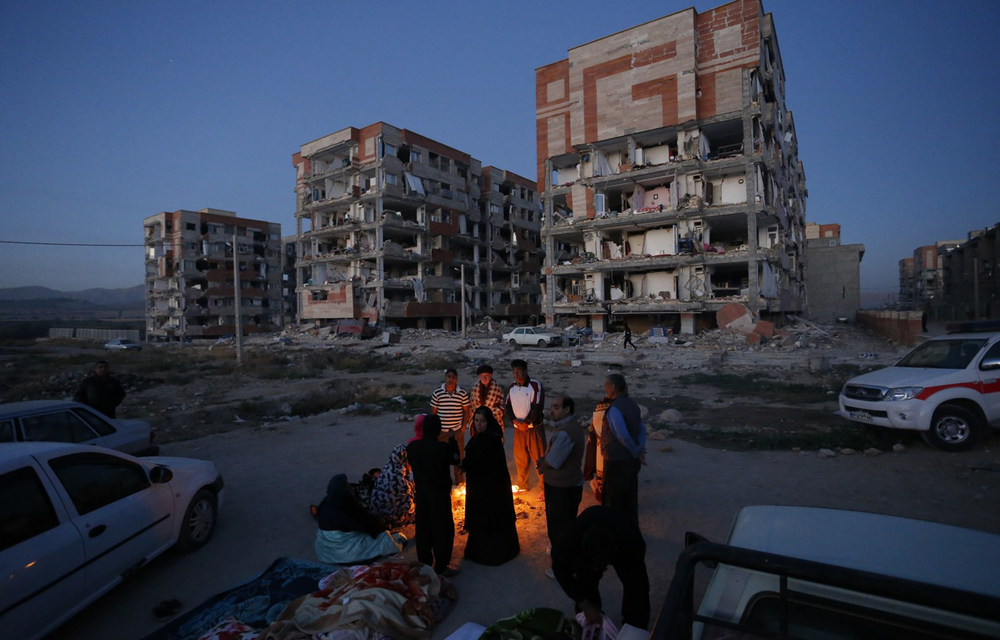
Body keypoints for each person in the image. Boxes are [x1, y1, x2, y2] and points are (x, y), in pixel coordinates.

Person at [551, 505, 650, 630]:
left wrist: (635, 627)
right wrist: (584, 603)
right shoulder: (570, 539)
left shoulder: (632, 543)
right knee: (586, 580)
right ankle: (591, 624)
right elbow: (559, 569)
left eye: (601, 566)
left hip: (621, 537)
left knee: (636, 586)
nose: (598, 570)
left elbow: (638, 587)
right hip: (587, 533)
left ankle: (633, 629)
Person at [461, 407, 520, 565]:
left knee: (490, 519)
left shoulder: (491, 439)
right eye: (476, 421)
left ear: (489, 422)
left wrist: (466, 464)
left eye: (482, 421)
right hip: (481, 486)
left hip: (491, 488)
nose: (478, 424)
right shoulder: (481, 437)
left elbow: (483, 462)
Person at [537, 395, 586, 577]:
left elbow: (553, 461)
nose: (552, 410)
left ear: (567, 410)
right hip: (565, 484)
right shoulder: (568, 428)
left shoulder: (566, 432)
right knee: (563, 526)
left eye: (556, 407)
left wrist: (540, 463)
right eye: (551, 406)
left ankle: (561, 568)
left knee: (560, 529)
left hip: (562, 487)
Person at [406, 414, 461, 577]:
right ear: (438, 430)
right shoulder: (443, 448)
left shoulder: (413, 447)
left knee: (423, 529)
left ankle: (424, 564)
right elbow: (456, 459)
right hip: (440, 495)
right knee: (442, 530)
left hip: (422, 494)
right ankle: (442, 566)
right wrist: (452, 441)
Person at [313, 473, 405, 565]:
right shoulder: (348, 506)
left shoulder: (325, 505)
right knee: (383, 538)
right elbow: (368, 524)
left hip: (324, 551)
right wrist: (382, 524)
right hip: (343, 551)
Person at [600, 374, 646, 525]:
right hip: (630, 462)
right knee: (629, 501)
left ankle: (614, 536)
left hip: (616, 461)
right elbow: (641, 430)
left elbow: (622, 436)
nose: (605, 389)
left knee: (614, 502)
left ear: (613, 388)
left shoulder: (615, 409)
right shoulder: (633, 405)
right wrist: (639, 449)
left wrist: (635, 451)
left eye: (606, 386)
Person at [505, 359, 545, 492]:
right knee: (520, 458)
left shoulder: (535, 386)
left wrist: (526, 422)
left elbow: (537, 407)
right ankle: (522, 485)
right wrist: (515, 422)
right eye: (514, 371)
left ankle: (544, 487)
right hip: (519, 430)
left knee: (539, 457)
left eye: (519, 370)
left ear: (525, 371)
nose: (516, 373)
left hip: (534, 429)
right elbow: (508, 407)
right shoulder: (512, 388)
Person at [431, 368, 472, 484]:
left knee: (458, 459)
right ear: (445, 378)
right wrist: (434, 429)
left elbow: (466, 411)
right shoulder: (437, 393)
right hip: (442, 431)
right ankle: (444, 483)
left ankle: (459, 484)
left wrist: (463, 428)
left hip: (456, 430)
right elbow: (433, 412)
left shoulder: (462, 393)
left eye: (453, 377)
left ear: (457, 379)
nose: (451, 379)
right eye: (449, 376)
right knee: (441, 459)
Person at [369, 444, 416, 527]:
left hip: (377, 511)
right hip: (390, 516)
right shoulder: (399, 476)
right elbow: (408, 506)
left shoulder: (388, 468)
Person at [469, 364, 506, 439]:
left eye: (486, 375)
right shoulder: (475, 387)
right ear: (479, 376)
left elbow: (501, 406)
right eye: (482, 376)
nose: (484, 378)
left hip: (493, 419)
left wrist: (488, 416)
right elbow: (472, 405)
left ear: (491, 375)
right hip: (479, 420)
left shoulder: (497, 388)